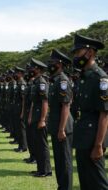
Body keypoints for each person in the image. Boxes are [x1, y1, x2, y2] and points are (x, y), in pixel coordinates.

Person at [71, 34, 108, 190]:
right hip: (82, 136)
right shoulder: (83, 77)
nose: (76, 56)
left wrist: (99, 145)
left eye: (78, 51)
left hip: (93, 139)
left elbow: (104, 114)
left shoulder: (100, 78)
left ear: (90, 52)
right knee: (85, 181)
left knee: (98, 183)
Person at [47, 49, 73, 190]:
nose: (50, 65)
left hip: (63, 127)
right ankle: (61, 187)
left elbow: (66, 106)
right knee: (59, 160)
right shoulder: (55, 80)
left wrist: (62, 129)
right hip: (57, 125)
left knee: (65, 161)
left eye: (53, 62)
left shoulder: (63, 80)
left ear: (60, 64)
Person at [28, 58, 52, 177]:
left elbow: (45, 102)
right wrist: (31, 116)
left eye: (32, 67)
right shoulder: (36, 82)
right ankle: (40, 168)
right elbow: (33, 102)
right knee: (37, 144)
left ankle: (46, 170)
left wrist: (42, 119)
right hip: (35, 116)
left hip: (41, 117)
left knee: (42, 144)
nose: (30, 70)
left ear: (38, 69)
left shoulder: (42, 82)